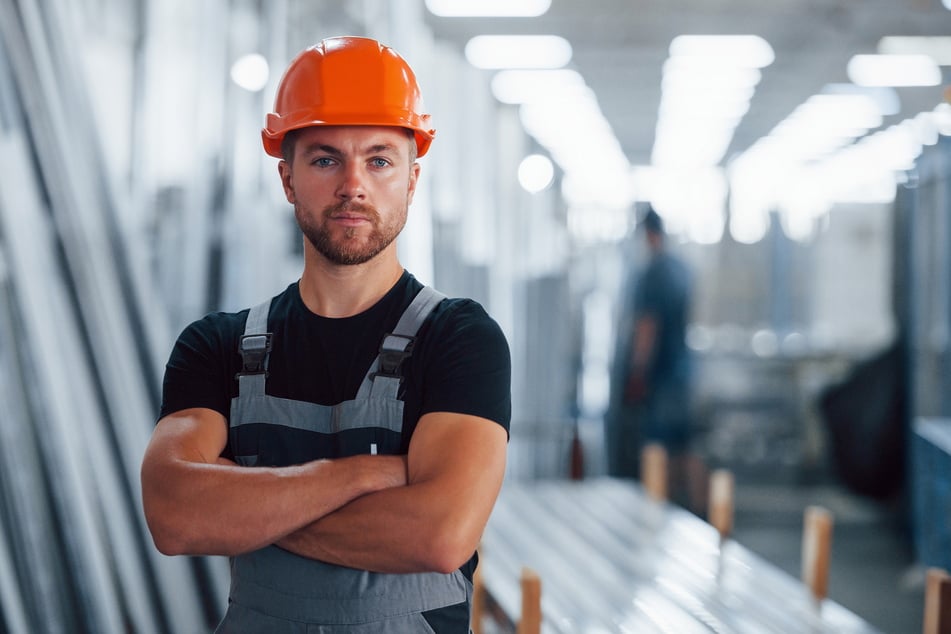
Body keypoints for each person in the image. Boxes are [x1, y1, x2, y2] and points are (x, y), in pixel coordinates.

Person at [140, 36, 511, 633]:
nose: (353, 185)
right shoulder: (218, 347)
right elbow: (174, 516)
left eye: (380, 159)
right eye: (324, 158)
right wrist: (363, 475)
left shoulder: (459, 340)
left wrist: (247, 508)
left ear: (413, 178)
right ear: (287, 179)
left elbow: (440, 534)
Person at [624, 206, 704, 509]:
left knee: (659, 451)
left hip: (661, 377)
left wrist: (636, 372)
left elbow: (647, 327)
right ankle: (701, 515)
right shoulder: (681, 269)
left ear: (647, 234)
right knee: (685, 448)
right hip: (683, 373)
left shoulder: (652, 273)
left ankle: (663, 514)